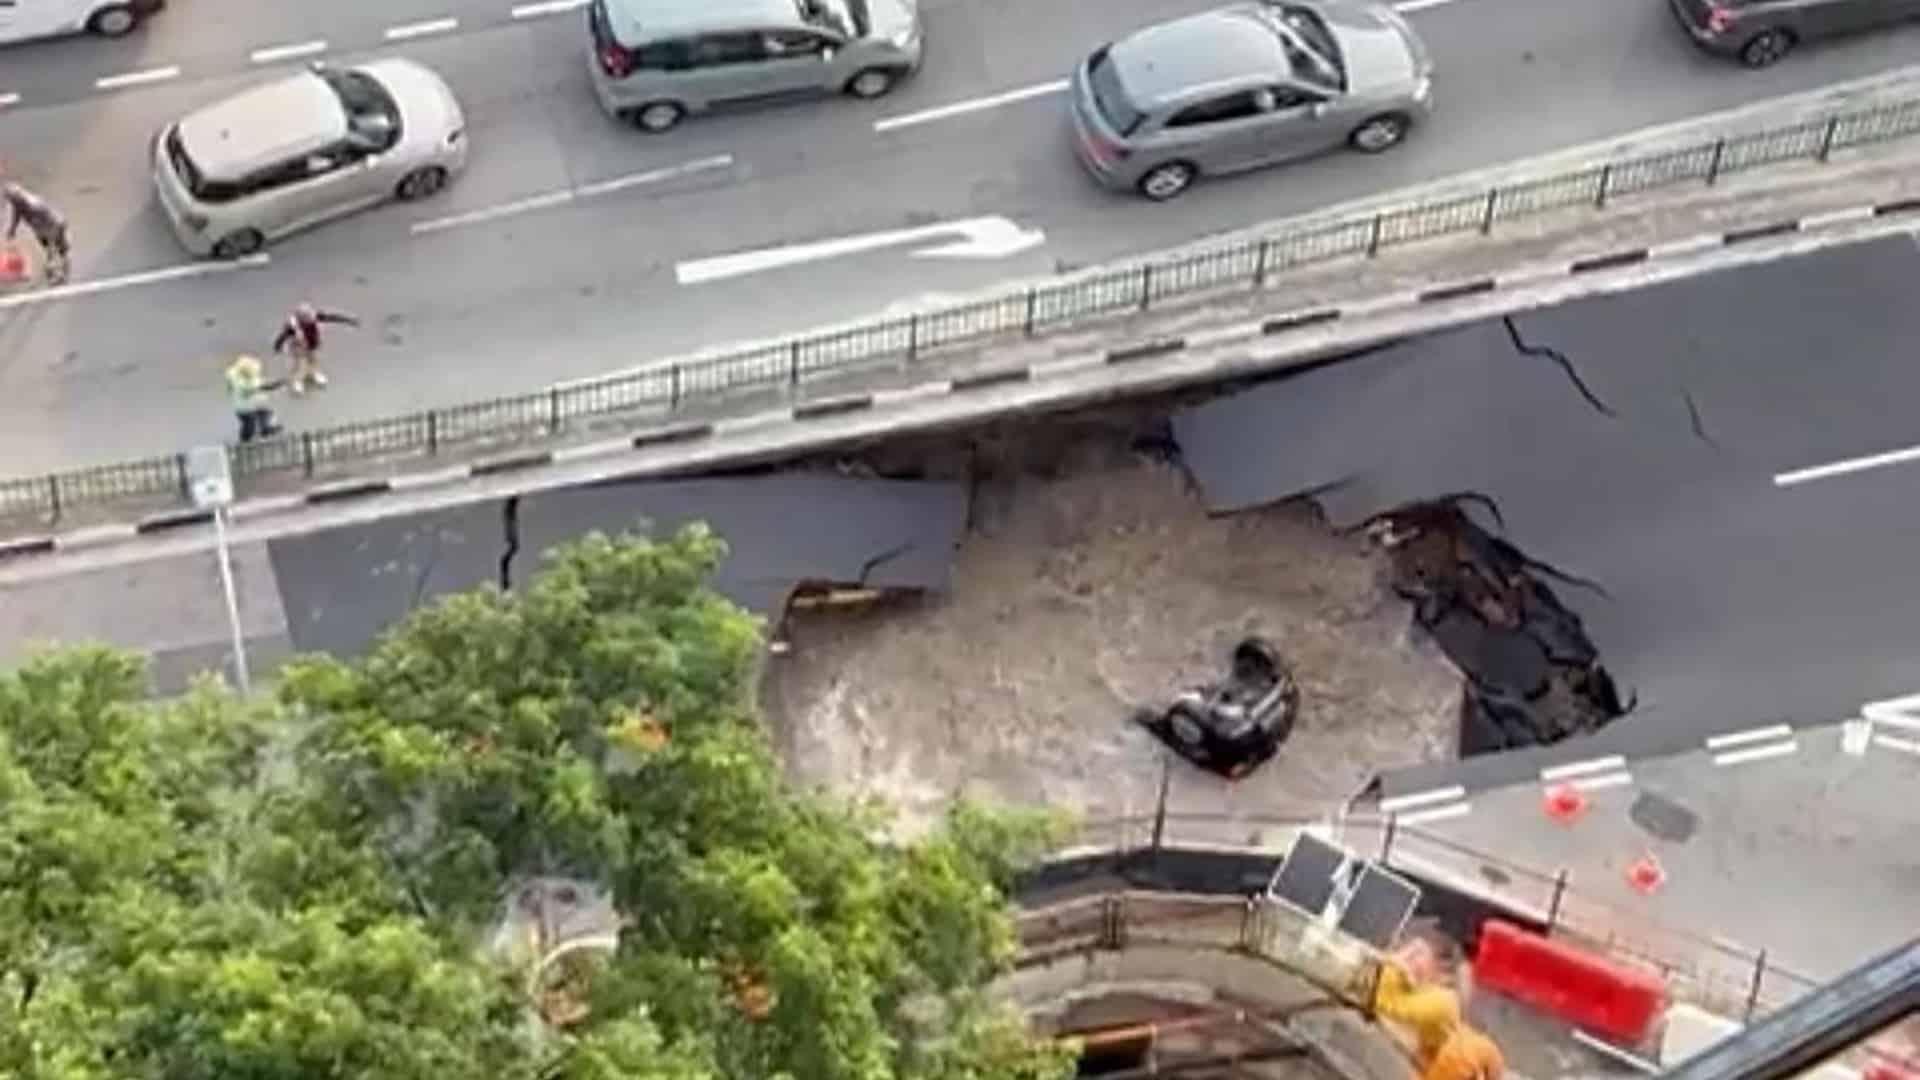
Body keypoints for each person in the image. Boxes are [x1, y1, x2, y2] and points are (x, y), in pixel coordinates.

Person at [272, 301, 360, 394]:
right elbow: (283, 336)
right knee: (299, 365)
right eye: (308, 318)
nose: (311, 318)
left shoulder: (316, 316)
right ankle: (297, 381)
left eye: (311, 316)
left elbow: (333, 317)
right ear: (301, 319)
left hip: (312, 344)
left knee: (313, 360)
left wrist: (349, 320)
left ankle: (314, 373)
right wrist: (278, 347)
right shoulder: (293, 326)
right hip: (298, 347)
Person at [3, 180, 71, 285]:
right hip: (43, 229)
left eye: (11, 199)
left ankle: (60, 275)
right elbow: (16, 216)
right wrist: (12, 230)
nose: (10, 202)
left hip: (54, 225)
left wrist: (48, 236)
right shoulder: (19, 204)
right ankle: (55, 273)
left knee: (59, 251)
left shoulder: (32, 204)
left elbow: (49, 218)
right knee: (51, 251)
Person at [225, 354, 282, 443]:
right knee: (249, 424)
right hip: (245, 408)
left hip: (248, 404)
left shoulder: (234, 374)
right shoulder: (245, 384)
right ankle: (245, 440)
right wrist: (277, 384)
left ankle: (265, 429)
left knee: (264, 413)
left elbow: (230, 381)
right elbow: (264, 386)